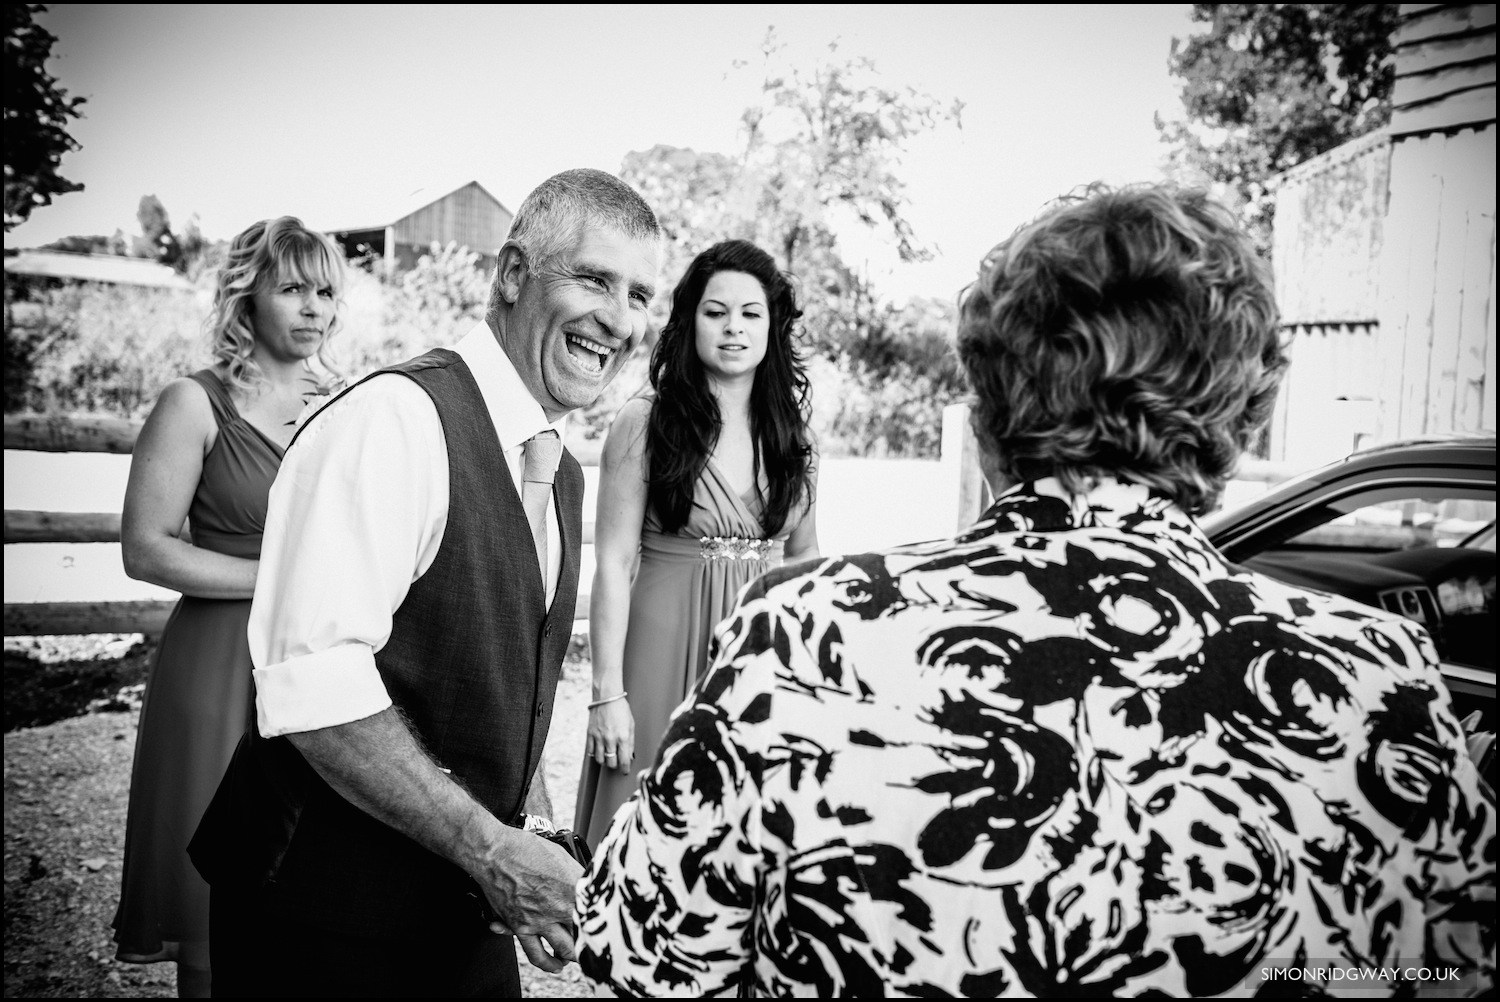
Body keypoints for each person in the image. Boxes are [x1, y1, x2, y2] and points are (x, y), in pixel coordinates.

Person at [575, 185, 1496, 996]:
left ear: (986, 414)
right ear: (1239, 422)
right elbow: (1448, 967)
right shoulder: (1388, 680)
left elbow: (646, 951)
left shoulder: (811, 637)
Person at [186, 169, 659, 997]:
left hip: (459, 908)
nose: (619, 319)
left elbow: (507, 683)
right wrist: (489, 850)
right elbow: (312, 686)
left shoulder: (560, 472)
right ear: (514, 274)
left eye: (640, 294)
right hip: (321, 918)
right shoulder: (393, 422)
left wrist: (536, 834)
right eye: (593, 278)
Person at [110, 217, 344, 998]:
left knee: (314, 886)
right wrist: (276, 578)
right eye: (292, 289)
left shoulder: (349, 404)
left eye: (325, 291)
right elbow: (146, 548)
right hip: (214, 669)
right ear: (248, 297)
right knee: (215, 913)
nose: (313, 309)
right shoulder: (193, 403)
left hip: (314, 661)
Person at [574, 239, 820, 848]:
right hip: (659, 649)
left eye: (750, 313)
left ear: (773, 325)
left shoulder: (794, 434)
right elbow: (613, 560)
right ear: (690, 321)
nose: (733, 327)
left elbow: (808, 560)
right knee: (641, 830)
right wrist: (607, 694)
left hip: (759, 661)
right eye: (716, 312)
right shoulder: (645, 421)